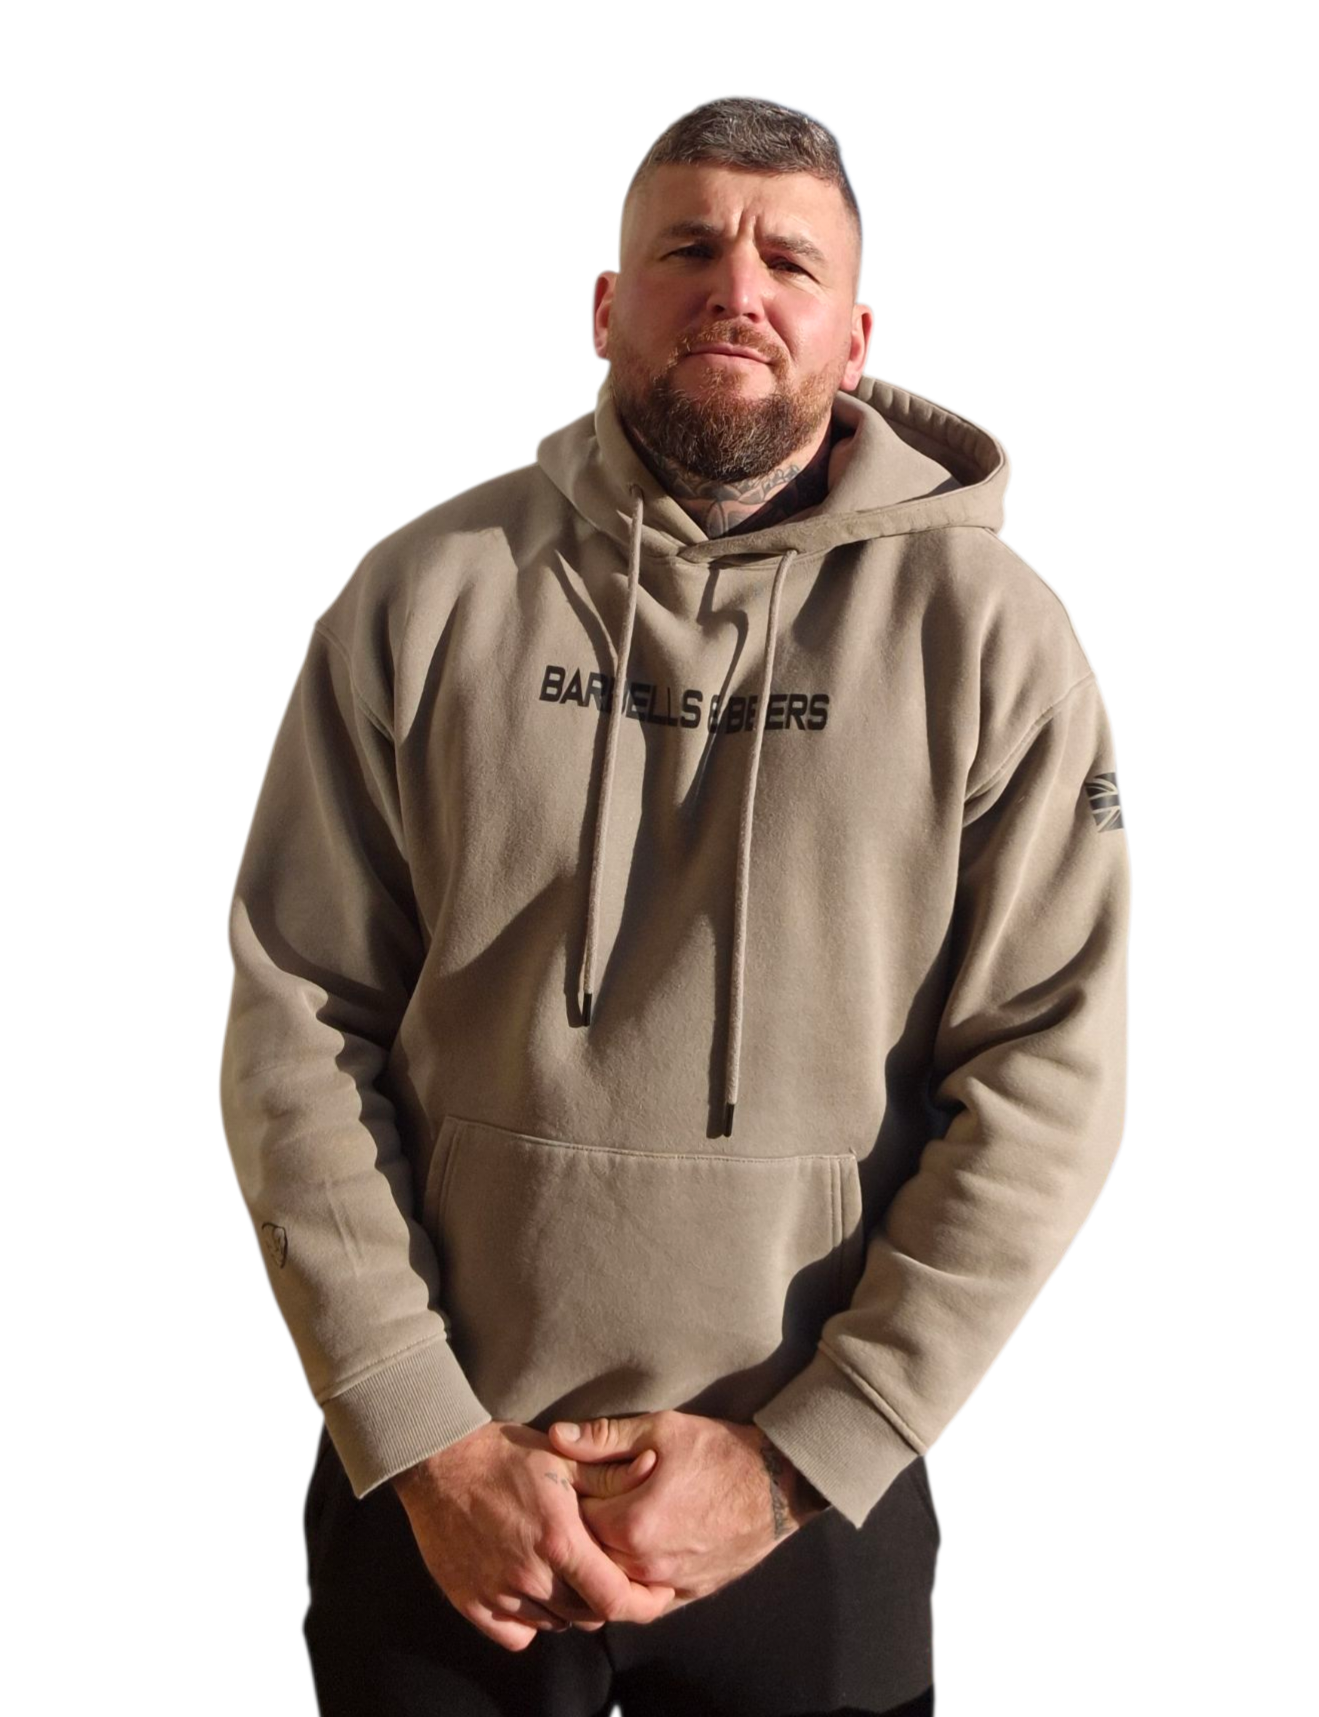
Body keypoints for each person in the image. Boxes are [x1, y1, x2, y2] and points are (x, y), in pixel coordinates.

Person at [220, 94, 1130, 1717]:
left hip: (806, 1502)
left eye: (790, 261)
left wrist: (804, 1455)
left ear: (855, 336)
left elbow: (1049, 1073)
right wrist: (421, 1429)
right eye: (688, 248)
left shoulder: (988, 640)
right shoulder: (427, 594)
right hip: (444, 1488)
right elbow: (299, 1019)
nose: (737, 289)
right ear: (604, 304)